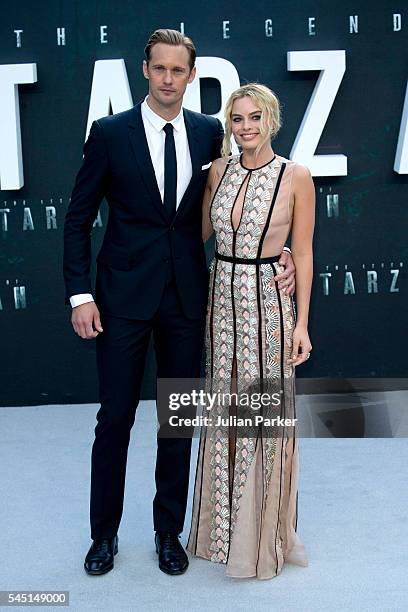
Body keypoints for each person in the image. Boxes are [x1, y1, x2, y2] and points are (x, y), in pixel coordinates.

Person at [63, 30, 296, 577]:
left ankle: (168, 531)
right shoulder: (110, 133)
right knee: (114, 418)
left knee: (176, 418)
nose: (168, 79)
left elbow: (236, 200)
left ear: (192, 76)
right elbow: (77, 219)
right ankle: (104, 535)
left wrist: (277, 249)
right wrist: (81, 294)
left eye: (178, 70)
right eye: (159, 68)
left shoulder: (209, 132)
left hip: (188, 300)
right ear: (145, 70)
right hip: (120, 299)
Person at [187, 83, 314, 579]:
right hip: (221, 302)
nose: (246, 128)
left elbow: (302, 253)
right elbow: (196, 233)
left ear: (272, 120)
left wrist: (302, 323)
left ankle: (260, 536)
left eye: (255, 118)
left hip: (269, 304)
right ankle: (221, 532)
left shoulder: (295, 176)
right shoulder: (218, 170)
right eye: (237, 119)